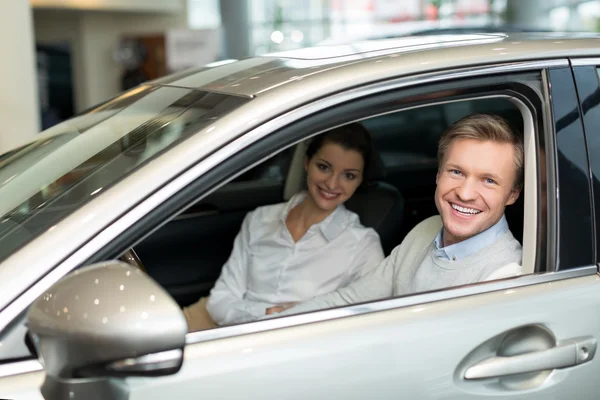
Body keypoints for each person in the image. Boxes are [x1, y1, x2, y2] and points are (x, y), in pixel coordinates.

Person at [270, 113, 524, 317]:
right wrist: (278, 323)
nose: (466, 194)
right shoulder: (427, 229)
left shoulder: (504, 276)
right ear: (438, 175)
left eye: (488, 180)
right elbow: (352, 298)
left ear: (512, 194)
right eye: (456, 172)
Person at [183, 123, 385, 330]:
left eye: (348, 175)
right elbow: (219, 302)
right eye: (324, 167)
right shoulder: (259, 219)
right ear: (307, 163)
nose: (332, 184)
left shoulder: (363, 244)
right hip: (230, 331)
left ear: (359, 180)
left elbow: (368, 320)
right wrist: (269, 314)